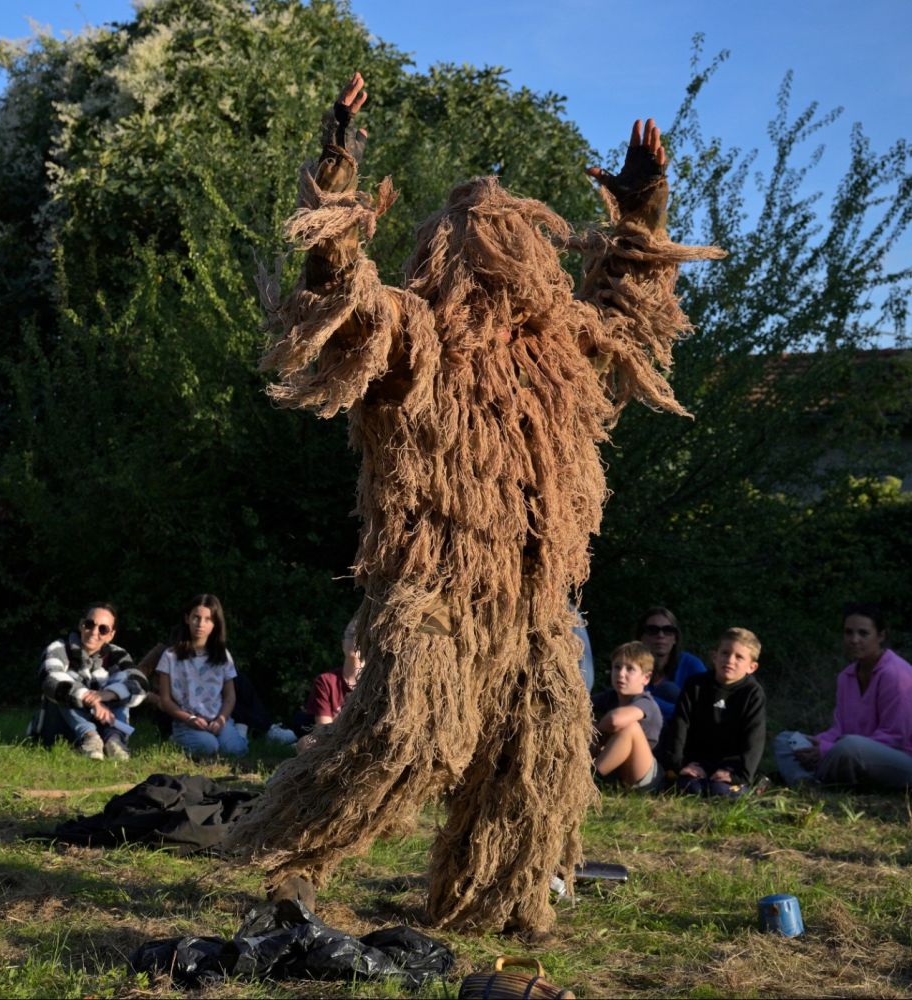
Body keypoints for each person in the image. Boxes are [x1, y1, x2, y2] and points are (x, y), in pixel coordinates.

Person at [224, 68, 723, 934]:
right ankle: (294, 859)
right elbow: (337, 293)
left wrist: (640, 210)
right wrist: (337, 164)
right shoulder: (413, 335)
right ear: (443, 255)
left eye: (511, 242)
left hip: (534, 601)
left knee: (537, 757)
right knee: (407, 735)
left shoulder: (561, 347)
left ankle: (496, 897)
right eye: (477, 243)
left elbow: (630, 305)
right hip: (433, 591)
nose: (497, 260)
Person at [772, 605, 912, 790]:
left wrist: (827, 749)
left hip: (900, 759)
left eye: (863, 633)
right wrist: (818, 743)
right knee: (785, 739)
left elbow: (895, 737)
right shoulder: (846, 677)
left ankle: (817, 777)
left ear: (881, 636)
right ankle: (806, 784)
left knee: (850, 746)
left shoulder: (896, 674)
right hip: (851, 751)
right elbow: (839, 729)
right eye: (848, 632)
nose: (854, 640)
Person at [34, 602, 148, 760]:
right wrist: (92, 700)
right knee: (65, 684)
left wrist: (109, 694)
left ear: (111, 635)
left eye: (103, 629)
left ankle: (114, 740)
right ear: (81, 625)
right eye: (89, 624)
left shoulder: (118, 654)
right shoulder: (59, 648)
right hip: (59, 729)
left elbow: (140, 684)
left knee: (123, 682)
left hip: (103, 725)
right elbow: (49, 679)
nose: (94, 632)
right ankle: (90, 737)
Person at [666, 627, 768, 797]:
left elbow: (754, 738)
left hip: (731, 765)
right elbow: (680, 724)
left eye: (739, 657)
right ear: (714, 656)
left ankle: (754, 783)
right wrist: (679, 764)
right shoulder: (695, 685)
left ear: (752, 667)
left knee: (721, 792)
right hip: (697, 760)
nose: (730, 660)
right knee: (691, 789)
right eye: (725, 653)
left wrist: (739, 775)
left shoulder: (753, 693)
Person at [154, 594, 248, 758]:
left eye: (208, 619)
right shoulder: (170, 656)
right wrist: (189, 719)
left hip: (218, 719)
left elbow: (230, 696)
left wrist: (221, 719)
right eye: (196, 618)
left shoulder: (223, 655)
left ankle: (238, 733)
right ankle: (176, 740)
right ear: (187, 619)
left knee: (235, 751)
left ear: (215, 624)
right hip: (186, 721)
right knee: (208, 747)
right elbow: (166, 700)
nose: (200, 624)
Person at [592, 642, 664, 793]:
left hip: (644, 775)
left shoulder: (646, 702)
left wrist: (595, 731)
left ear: (646, 678)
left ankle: (589, 780)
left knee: (630, 727)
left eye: (630, 669)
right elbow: (579, 708)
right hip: (617, 772)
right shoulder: (609, 697)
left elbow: (615, 720)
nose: (621, 673)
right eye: (617, 667)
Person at [294, 618, 362, 752]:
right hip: (334, 741)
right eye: (350, 635)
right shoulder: (326, 681)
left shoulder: (375, 684)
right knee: (306, 743)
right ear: (343, 643)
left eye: (360, 636)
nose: (354, 640)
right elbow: (324, 728)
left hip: (362, 741)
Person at [635, 607, 709, 720]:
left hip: (684, 727)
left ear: (675, 638)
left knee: (669, 690)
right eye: (652, 630)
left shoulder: (690, 664)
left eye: (668, 630)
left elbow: (705, 706)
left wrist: (647, 702)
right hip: (643, 727)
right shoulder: (630, 667)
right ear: (641, 637)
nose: (660, 635)